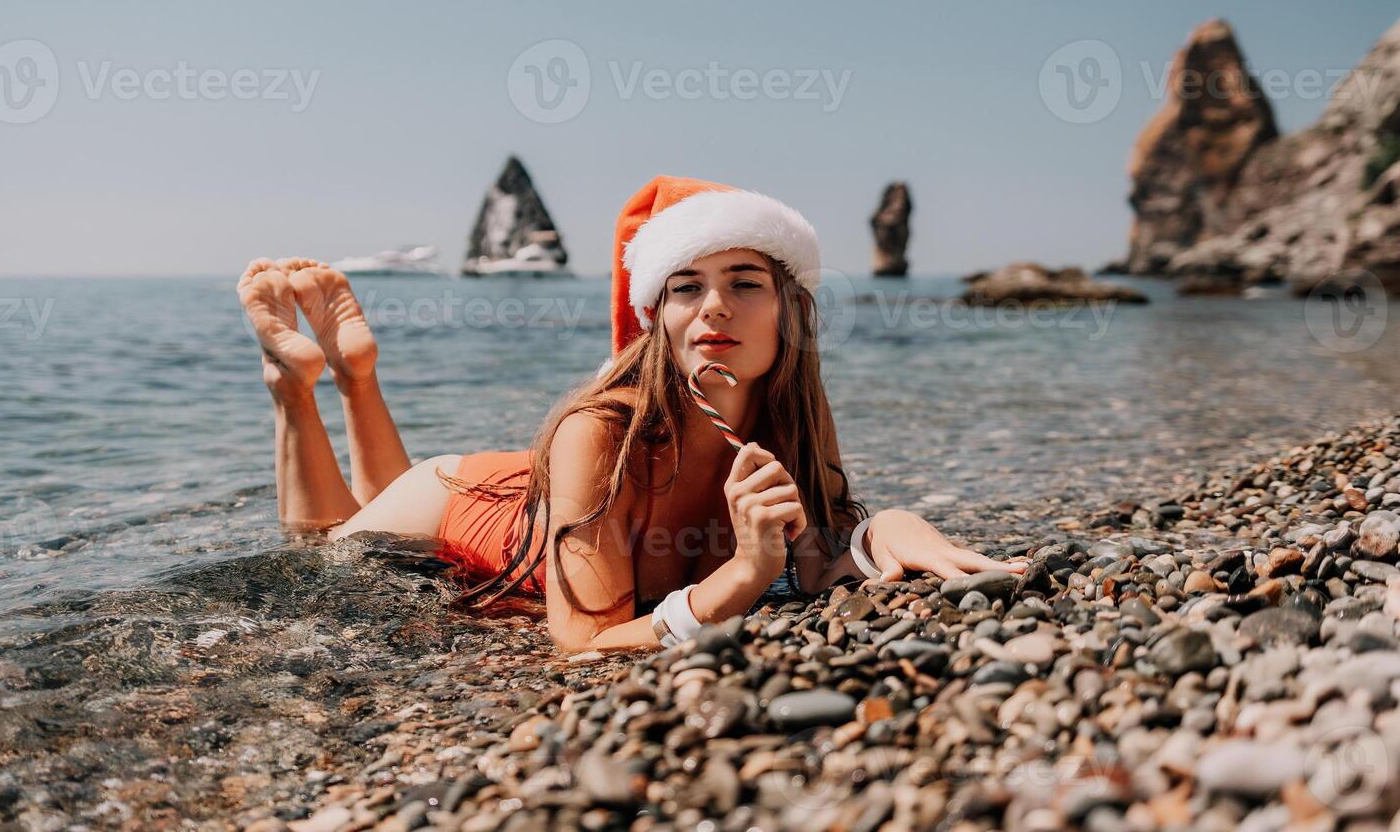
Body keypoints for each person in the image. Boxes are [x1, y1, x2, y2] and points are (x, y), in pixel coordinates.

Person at [237, 176, 1027, 653]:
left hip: (548, 504)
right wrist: (744, 576)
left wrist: (886, 528)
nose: (714, 306)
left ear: (791, 309)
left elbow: (820, 556)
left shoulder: (789, 421)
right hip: (469, 505)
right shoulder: (600, 430)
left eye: (745, 281)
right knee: (321, 554)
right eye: (685, 286)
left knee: (356, 519)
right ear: (659, 313)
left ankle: (357, 374)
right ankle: (297, 387)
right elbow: (580, 643)